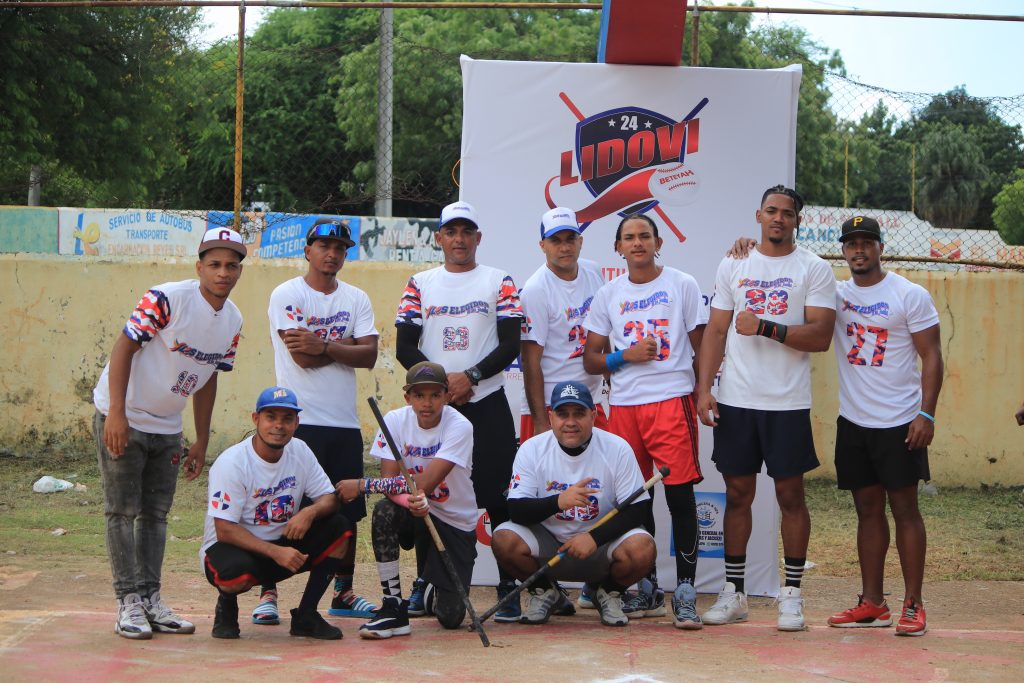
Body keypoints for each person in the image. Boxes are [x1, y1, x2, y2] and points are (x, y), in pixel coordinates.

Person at [93, 227, 246, 640]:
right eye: (214, 264)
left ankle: (151, 599)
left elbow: (210, 376)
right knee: (121, 511)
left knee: (156, 515)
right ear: (199, 267)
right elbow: (124, 348)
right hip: (125, 415)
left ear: (239, 272)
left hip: (167, 425)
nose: (223, 273)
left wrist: (201, 438)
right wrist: (117, 414)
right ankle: (127, 602)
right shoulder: (166, 298)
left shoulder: (233, 320)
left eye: (231, 266)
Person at [696, 185, 836, 632]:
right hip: (737, 400)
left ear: (798, 220)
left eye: (787, 213)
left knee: (790, 497)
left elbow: (820, 337)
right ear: (759, 215)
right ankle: (733, 592)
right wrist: (704, 388)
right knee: (738, 495)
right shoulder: (734, 262)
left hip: (787, 403)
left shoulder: (814, 268)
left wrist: (765, 327)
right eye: (771, 211)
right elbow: (716, 331)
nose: (778, 218)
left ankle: (791, 595)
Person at [394, 200, 525, 621]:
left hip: (486, 401)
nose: (459, 239)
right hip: (436, 408)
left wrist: (470, 377)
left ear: (478, 238)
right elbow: (404, 346)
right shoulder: (419, 283)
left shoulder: (499, 280)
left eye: (467, 232)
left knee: (498, 495)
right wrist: (439, 387)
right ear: (439, 238)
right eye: (451, 232)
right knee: (428, 494)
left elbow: (511, 344)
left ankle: (508, 584)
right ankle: (425, 581)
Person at [582, 212, 708, 628]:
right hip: (625, 407)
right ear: (618, 247)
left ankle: (685, 592)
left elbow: (703, 345)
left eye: (645, 236)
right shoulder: (608, 294)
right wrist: (626, 356)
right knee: (637, 501)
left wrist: (703, 392)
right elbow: (592, 359)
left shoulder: (681, 284)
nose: (637, 243)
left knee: (680, 497)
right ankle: (648, 587)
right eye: (629, 237)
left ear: (658, 242)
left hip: (670, 401)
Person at [823, 216, 943, 636]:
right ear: (843, 250)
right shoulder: (835, 295)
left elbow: (932, 356)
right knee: (867, 511)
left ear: (880, 248)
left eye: (867, 242)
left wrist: (926, 414)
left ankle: (913, 604)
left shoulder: (909, 294)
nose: (859, 250)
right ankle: (873, 602)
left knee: (906, 510)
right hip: (854, 421)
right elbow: (789, 271)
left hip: (900, 422)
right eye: (851, 243)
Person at [259, 217, 379, 624]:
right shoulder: (287, 294)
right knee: (283, 505)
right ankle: (268, 592)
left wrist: (323, 343)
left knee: (349, 508)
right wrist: (346, 345)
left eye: (340, 248)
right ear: (307, 250)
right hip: (299, 421)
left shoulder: (357, 298)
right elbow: (301, 358)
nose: (332, 254)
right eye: (324, 246)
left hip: (343, 423)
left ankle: (343, 591)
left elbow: (370, 355)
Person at [491, 381, 656, 627]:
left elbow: (638, 510)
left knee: (643, 547)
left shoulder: (617, 448)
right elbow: (516, 509)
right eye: (562, 414)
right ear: (551, 417)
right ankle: (545, 592)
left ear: (593, 415)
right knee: (503, 539)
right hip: (550, 548)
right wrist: (559, 501)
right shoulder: (531, 449)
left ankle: (608, 593)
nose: (570, 422)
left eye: (579, 413)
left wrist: (593, 538)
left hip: (601, 549)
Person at [335, 361, 478, 638]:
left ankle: (429, 586)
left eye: (435, 395)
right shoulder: (394, 421)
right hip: (412, 510)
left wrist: (363, 485)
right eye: (419, 395)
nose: (427, 403)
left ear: (447, 396)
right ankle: (393, 608)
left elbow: (425, 484)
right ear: (407, 397)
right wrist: (408, 503)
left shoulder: (460, 426)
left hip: (452, 519)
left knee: (451, 617)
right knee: (384, 511)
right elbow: (391, 483)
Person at [201, 387, 351, 640]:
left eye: (287, 418)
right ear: (256, 419)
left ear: (296, 423)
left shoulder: (300, 451)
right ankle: (226, 606)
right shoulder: (232, 463)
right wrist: (276, 552)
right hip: (235, 547)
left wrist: (310, 512)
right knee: (235, 576)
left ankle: (306, 615)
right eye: (271, 417)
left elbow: (330, 498)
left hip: (283, 544)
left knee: (340, 528)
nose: (279, 425)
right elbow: (224, 530)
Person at [520, 207, 608, 440]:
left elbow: (604, 331)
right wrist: (541, 423)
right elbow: (530, 361)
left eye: (570, 239)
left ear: (581, 241)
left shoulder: (593, 271)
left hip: (590, 400)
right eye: (555, 240)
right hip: (551, 405)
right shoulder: (535, 290)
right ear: (542, 245)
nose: (565, 247)